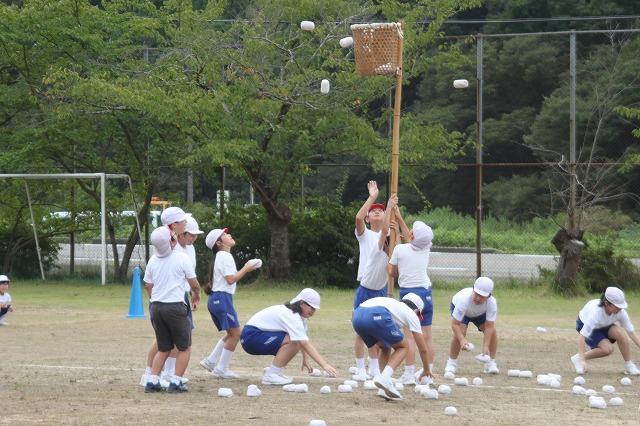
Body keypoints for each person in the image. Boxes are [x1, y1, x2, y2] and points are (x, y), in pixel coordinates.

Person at [140, 215, 205, 387]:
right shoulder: (180, 258)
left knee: (163, 348)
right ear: (172, 240)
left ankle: (152, 380)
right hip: (175, 305)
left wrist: (155, 299)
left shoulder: (153, 259)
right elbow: (194, 283)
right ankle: (175, 381)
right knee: (184, 347)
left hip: (156, 306)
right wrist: (197, 294)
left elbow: (148, 285)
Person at [240, 288, 337, 385]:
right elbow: (303, 342)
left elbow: (303, 338)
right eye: (312, 308)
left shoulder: (300, 318)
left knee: (296, 340)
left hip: (254, 336)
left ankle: (273, 372)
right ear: (302, 303)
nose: (313, 312)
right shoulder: (291, 315)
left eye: (315, 309)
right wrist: (324, 365)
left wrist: (305, 359)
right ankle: (271, 375)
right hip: (250, 337)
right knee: (294, 341)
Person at [200, 228, 260, 379]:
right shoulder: (225, 256)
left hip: (217, 299)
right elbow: (231, 279)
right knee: (236, 333)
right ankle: (221, 369)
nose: (229, 235)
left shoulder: (221, 256)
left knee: (231, 333)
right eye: (225, 234)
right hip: (222, 299)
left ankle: (211, 361)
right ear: (219, 243)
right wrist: (246, 268)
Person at [352, 293, 433, 401]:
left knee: (385, 346)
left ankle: (383, 389)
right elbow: (423, 349)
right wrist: (426, 370)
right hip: (376, 314)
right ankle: (384, 378)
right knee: (404, 346)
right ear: (417, 311)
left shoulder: (393, 305)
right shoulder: (411, 314)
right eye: (418, 315)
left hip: (357, 316)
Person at [388, 219, 435, 384]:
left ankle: (409, 374)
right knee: (427, 336)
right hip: (426, 293)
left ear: (412, 236)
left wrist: (395, 240)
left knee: (409, 336)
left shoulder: (399, 249)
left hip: (409, 295)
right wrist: (399, 217)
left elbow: (392, 272)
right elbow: (412, 238)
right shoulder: (426, 248)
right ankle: (428, 374)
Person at [352, 180, 387, 381]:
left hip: (381, 288)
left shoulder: (388, 235)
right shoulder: (365, 235)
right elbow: (358, 217)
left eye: (380, 210)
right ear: (368, 218)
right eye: (373, 211)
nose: (377, 211)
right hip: (365, 286)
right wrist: (372, 197)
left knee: (376, 329)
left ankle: (374, 369)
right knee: (360, 329)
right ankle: (360, 369)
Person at [571, 286, 640, 375]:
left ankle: (629, 365)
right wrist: (583, 361)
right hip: (584, 324)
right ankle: (579, 358)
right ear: (607, 303)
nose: (620, 309)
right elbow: (581, 337)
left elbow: (631, 333)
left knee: (621, 333)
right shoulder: (595, 313)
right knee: (607, 349)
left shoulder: (620, 312)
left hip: (603, 324)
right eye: (617, 306)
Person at [445, 277, 499, 375]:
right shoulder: (464, 299)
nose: (478, 298)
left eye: (482, 296)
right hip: (463, 311)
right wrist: (462, 340)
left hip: (480, 313)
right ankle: (451, 363)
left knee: (493, 333)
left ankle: (490, 363)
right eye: (476, 294)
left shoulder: (492, 303)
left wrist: (486, 346)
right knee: (461, 332)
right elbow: (455, 324)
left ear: (488, 296)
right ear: (473, 289)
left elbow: (489, 327)